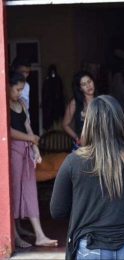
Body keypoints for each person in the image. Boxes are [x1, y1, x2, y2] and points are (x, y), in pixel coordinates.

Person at [50, 95, 124, 260]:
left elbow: (58, 211)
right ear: (120, 121)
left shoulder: (73, 162)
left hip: (90, 247)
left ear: (88, 124)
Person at [9, 71, 58, 248]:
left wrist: (36, 149)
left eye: (22, 89)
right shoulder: (3, 104)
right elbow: (8, 132)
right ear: (7, 87)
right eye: (17, 89)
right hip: (12, 152)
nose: (20, 93)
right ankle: (13, 235)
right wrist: (31, 139)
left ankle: (40, 235)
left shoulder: (21, 103)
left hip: (27, 151)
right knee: (13, 192)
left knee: (30, 191)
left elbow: (28, 126)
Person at [63, 71, 96, 150]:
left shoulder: (101, 102)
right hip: (82, 148)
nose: (88, 86)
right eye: (84, 84)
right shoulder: (75, 103)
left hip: (99, 147)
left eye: (89, 81)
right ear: (80, 88)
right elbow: (65, 125)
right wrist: (77, 138)